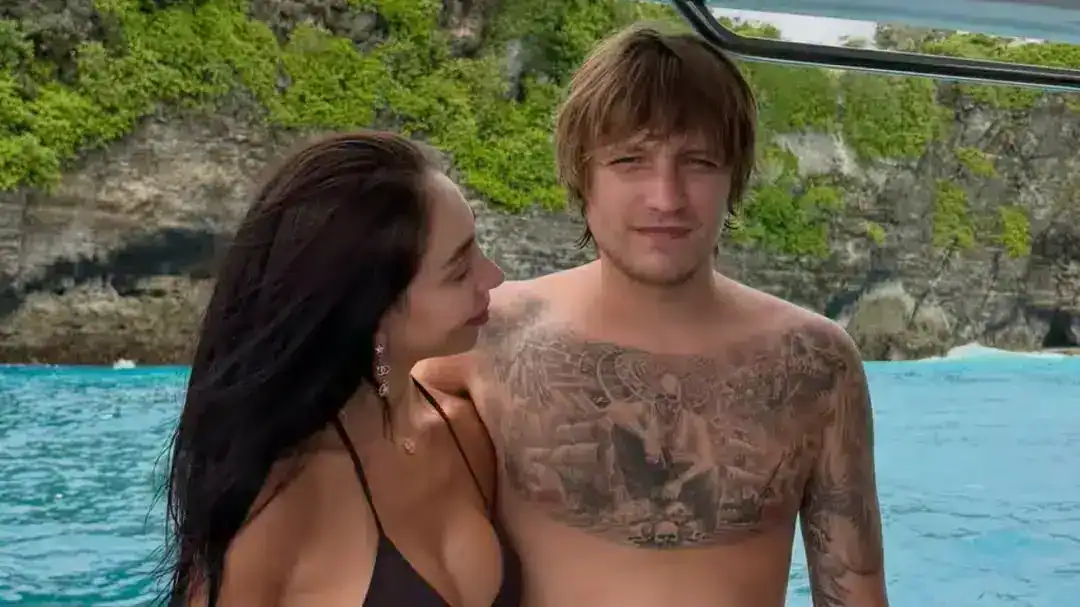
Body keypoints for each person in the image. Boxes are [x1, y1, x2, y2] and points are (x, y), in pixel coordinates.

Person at [414, 23, 889, 607]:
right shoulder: (488, 338)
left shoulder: (816, 363)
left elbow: (854, 591)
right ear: (582, 176)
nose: (666, 197)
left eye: (699, 162)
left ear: (734, 178)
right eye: (630, 160)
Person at [158, 131, 520, 607]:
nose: (494, 276)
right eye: (459, 269)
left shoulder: (465, 431)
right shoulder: (281, 504)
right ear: (371, 309)